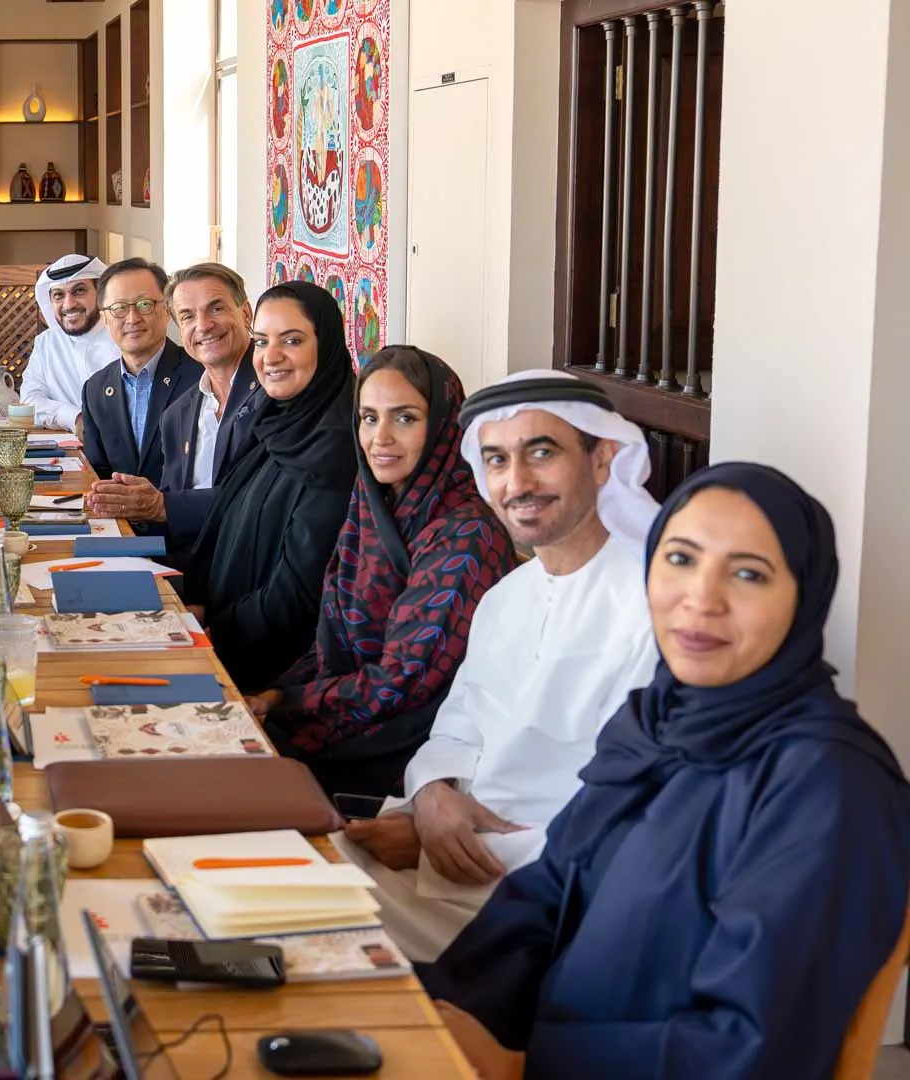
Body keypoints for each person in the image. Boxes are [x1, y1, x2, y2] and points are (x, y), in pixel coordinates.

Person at [424, 463, 910, 1080]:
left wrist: (519, 1066)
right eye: (680, 559)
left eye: (748, 574)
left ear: (804, 596)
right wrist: (432, 1013)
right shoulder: (656, 721)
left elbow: (756, 1048)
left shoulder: (827, 786)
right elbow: (546, 895)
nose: (701, 600)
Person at [335, 369, 661, 962]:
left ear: (602, 459)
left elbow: (631, 816)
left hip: (547, 898)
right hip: (453, 859)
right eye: (497, 460)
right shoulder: (507, 597)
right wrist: (431, 796)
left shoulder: (654, 607)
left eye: (542, 453)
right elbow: (456, 729)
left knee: (303, 921)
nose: (517, 482)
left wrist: (434, 848)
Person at [250, 347, 516, 799]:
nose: (381, 438)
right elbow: (331, 642)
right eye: (369, 418)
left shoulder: (466, 535)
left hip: (410, 751)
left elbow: (404, 682)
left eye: (405, 418)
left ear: (445, 426)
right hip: (346, 716)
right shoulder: (375, 502)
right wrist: (274, 694)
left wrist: (288, 706)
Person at [179, 281, 356, 692]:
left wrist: (212, 633)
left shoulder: (335, 448)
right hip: (225, 640)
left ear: (327, 344)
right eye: (261, 341)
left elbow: (299, 591)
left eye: (292, 340)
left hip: (274, 678)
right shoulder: (276, 422)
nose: (270, 357)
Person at [83, 262, 260, 560]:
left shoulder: (273, 389)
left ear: (245, 313)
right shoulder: (180, 411)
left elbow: (265, 497)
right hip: (173, 558)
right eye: (188, 315)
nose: (203, 325)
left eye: (144, 304)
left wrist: (161, 506)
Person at [78, 258, 197, 493]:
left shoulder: (201, 376)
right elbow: (98, 472)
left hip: (186, 514)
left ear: (167, 309)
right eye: (119, 308)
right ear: (105, 318)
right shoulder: (95, 388)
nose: (132, 318)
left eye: (145, 304)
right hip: (120, 515)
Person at [17, 254, 120, 432]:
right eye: (59, 295)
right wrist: (74, 418)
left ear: (100, 294)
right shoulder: (46, 343)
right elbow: (29, 400)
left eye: (79, 291)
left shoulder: (122, 337)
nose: (69, 304)